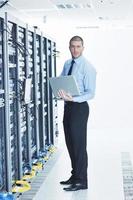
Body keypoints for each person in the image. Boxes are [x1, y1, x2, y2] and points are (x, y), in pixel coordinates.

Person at [58, 36, 96, 191]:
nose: (75, 49)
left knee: (79, 145)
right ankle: (75, 175)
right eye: (73, 46)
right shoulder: (67, 64)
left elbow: (91, 93)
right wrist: (60, 92)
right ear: (69, 47)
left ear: (83, 47)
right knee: (70, 143)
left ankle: (82, 181)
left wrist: (74, 98)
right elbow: (61, 80)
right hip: (68, 107)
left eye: (78, 46)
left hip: (80, 108)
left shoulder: (88, 67)